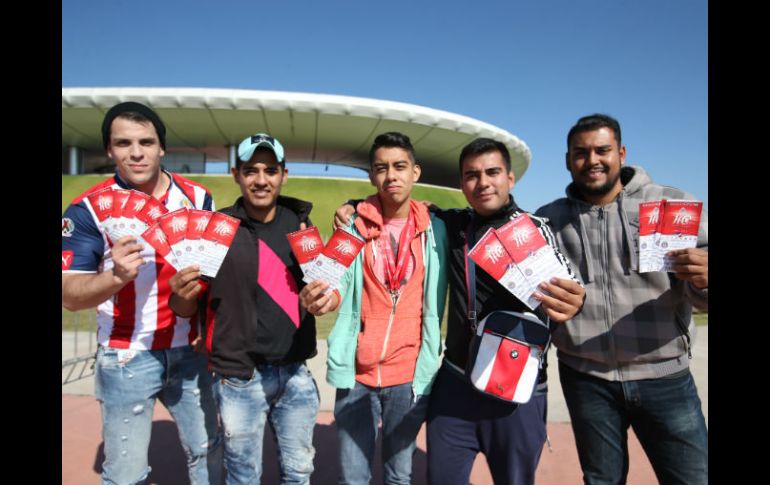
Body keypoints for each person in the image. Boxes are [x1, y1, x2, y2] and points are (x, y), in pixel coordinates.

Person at [334, 138, 585, 485]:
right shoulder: (452, 225)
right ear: (462, 184)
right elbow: (399, 206)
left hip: (516, 385)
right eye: (472, 175)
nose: (483, 182)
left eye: (493, 172)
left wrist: (575, 303)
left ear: (510, 178)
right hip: (457, 384)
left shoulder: (536, 231)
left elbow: (570, 292)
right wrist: (354, 206)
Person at [535, 113, 708, 484]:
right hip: (586, 379)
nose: (592, 160)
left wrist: (705, 281)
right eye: (580, 153)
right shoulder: (547, 221)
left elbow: (702, 293)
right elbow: (531, 299)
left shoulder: (670, 205)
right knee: (601, 481)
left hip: (664, 377)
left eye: (602, 150)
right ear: (567, 160)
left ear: (622, 153)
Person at [61, 102, 222, 485]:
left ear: (162, 147)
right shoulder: (86, 209)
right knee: (126, 473)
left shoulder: (199, 199)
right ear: (109, 151)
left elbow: (212, 273)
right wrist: (114, 276)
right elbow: (69, 295)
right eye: (124, 143)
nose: (136, 152)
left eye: (146, 142)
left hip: (189, 352)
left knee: (208, 451)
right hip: (125, 354)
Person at [169, 133, 320, 485]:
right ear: (236, 174)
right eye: (251, 170)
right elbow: (184, 308)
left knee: (299, 472)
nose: (261, 180)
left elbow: (323, 293)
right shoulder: (214, 229)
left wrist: (326, 300)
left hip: (295, 372)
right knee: (243, 475)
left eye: (270, 170)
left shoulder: (302, 225)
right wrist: (181, 294)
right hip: (239, 378)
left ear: (284, 174)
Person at [300, 132, 447, 485]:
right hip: (358, 372)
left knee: (400, 475)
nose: (390, 176)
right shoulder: (352, 226)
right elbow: (337, 287)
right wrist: (323, 300)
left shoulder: (438, 229)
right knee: (354, 477)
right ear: (371, 176)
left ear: (416, 172)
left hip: (409, 373)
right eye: (381, 168)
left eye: (399, 167)